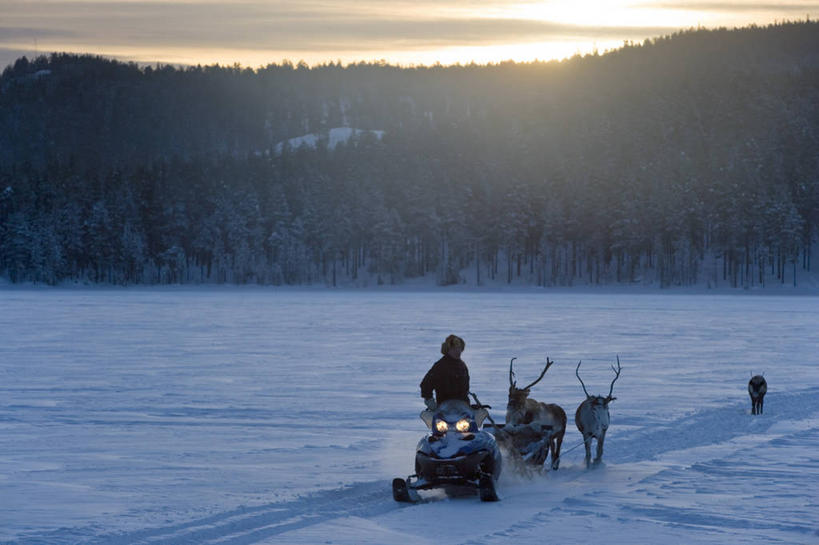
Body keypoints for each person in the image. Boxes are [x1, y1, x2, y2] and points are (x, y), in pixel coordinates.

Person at [420, 334, 470, 410]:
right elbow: (426, 384)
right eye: (454, 348)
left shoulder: (462, 366)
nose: (457, 351)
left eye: (459, 348)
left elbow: (465, 389)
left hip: (462, 409)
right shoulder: (439, 366)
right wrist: (430, 402)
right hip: (444, 409)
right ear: (448, 349)